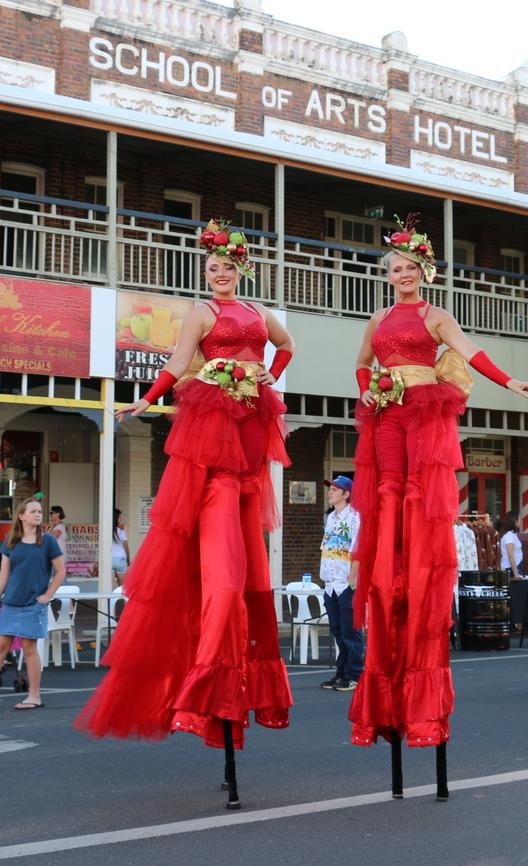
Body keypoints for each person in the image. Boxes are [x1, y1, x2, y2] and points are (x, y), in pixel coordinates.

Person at [75, 218, 294, 757]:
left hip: (250, 432)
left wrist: (270, 371)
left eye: (226, 266)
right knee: (223, 580)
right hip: (212, 434)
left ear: (241, 269)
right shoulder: (202, 312)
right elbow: (177, 363)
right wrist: (148, 400)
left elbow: (285, 347)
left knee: (253, 576)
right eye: (211, 267)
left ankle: (240, 689)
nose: (218, 274)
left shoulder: (259, 314)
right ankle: (202, 687)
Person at [350, 213, 528, 769]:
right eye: (395, 268)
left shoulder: (436, 315)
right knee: (387, 492)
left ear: (423, 271)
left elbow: (471, 352)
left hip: (424, 414)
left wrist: (509, 381)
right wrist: (369, 391)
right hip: (387, 416)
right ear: (387, 273)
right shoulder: (379, 317)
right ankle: (389, 566)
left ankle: (415, 568)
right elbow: (362, 364)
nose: (403, 274)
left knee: (416, 492)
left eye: (411, 267)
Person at [0, 498, 65, 709]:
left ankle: (34, 696)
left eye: (40, 511)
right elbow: (4, 574)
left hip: (33, 604)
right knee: (1, 646)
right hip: (10, 603)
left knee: (29, 648)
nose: (38, 514)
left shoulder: (48, 541)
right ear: (21, 516)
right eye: (33, 511)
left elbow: (61, 571)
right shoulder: (10, 540)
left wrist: (47, 595)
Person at [319, 476, 364, 692]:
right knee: (338, 631)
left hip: (346, 583)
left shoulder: (355, 518)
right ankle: (342, 671)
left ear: (346, 494)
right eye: (331, 489)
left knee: (350, 632)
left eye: (335, 490)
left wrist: (352, 580)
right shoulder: (330, 518)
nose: (330, 492)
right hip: (330, 583)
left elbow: (358, 550)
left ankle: (354, 674)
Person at [500, 511, 523, 580]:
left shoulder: (513, 535)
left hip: (514, 566)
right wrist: (516, 573)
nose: (520, 522)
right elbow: (510, 555)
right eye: (519, 519)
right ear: (514, 521)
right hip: (510, 568)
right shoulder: (509, 536)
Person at [111, 509, 130, 587]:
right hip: (121, 558)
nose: (121, 519)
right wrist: (128, 559)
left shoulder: (106, 531)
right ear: (116, 519)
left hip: (110, 558)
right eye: (119, 517)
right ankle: (120, 599)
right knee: (121, 586)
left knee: (110, 586)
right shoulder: (121, 531)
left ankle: (110, 599)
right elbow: (126, 546)